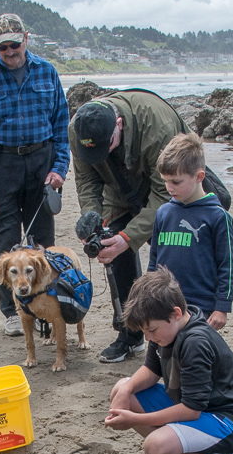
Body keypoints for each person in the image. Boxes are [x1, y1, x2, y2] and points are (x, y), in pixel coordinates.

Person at [105, 268, 233, 454]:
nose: (147, 338)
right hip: (200, 410)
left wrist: (133, 419)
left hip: (231, 421)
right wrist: (125, 390)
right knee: (123, 387)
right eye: (143, 331)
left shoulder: (195, 342)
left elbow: (192, 409)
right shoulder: (166, 332)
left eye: (151, 330)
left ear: (176, 313)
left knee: (155, 448)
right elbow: (151, 371)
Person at [0, 13, 70, 336]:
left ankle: (47, 308)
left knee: (43, 245)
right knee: (7, 244)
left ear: (26, 38)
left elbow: (61, 126)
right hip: (2, 167)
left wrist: (59, 168)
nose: (10, 51)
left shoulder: (47, 72)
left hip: (42, 162)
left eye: (14, 44)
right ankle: (12, 312)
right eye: (2, 47)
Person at [70, 89, 189, 362]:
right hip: (118, 185)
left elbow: (165, 194)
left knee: (174, 257)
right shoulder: (80, 130)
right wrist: (92, 218)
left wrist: (129, 236)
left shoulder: (157, 126)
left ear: (119, 124)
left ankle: (183, 331)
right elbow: (87, 180)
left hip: (168, 185)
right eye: (94, 150)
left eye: (106, 145)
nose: (101, 152)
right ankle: (130, 333)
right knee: (114, 248)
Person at [146, 133, 233, 330]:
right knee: (161, 354)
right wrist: (147, 295)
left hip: (201, 305)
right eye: (165, 181)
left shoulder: (218, 217)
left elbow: (227, 266)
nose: (169, 188)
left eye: (176, 182)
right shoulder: (163, 213)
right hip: (164, 299)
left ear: (199, 177)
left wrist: (222, 307)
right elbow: (154, 261)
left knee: (194, 354)